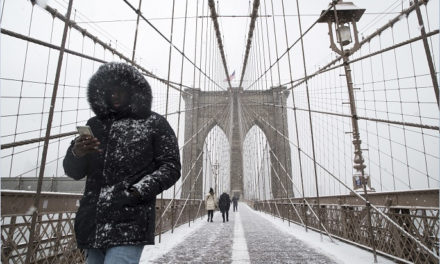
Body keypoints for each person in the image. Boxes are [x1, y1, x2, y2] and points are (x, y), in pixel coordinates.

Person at [63, 62, 181, 264]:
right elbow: (74, 172)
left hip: (130, 222)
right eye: (110, 91)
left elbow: (171, 166)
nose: (114, 95)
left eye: (120, 90)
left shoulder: (154, 123)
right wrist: (77, 153)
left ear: (133, 91)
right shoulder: (94, 125)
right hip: (92, 225)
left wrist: (137, 191)